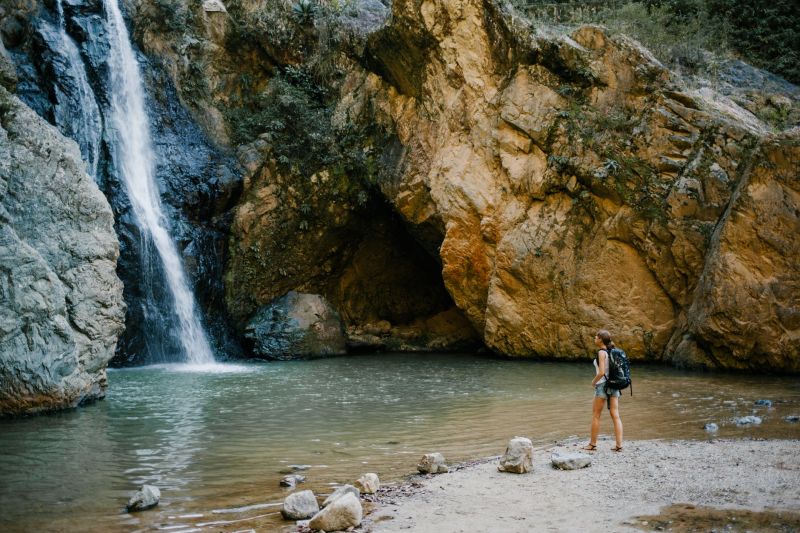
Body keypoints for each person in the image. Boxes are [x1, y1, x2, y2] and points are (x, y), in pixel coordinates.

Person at [583, 329, 623, 452]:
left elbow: (601, 372)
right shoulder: (612, 351)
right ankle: (619, 445)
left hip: (602, 385)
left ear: (600, 339)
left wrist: (593, 382)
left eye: (596, 337)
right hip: (614, 384)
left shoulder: (601, 352)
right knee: (615, 415)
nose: (594, 338)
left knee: (596, 415)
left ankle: (592, 444)